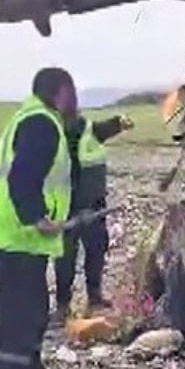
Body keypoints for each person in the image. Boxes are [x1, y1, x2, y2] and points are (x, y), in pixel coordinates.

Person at [0, 67, 78, 369]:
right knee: (17, 319)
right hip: (15, 240)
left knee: (33, 312)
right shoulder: (41, 124)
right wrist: (37, 217)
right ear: (59, 91)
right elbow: (23, 176)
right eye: (71, 91)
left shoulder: (34, 117)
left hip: (19, 241)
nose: (74, 99)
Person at [53, 113, 134, 320]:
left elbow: (111, 125)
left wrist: (120, 122)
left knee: (96, 252)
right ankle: (63, 305)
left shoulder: (91, 130)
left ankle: (95, 298)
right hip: (65, 210)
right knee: (64, 259)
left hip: (94, 208)